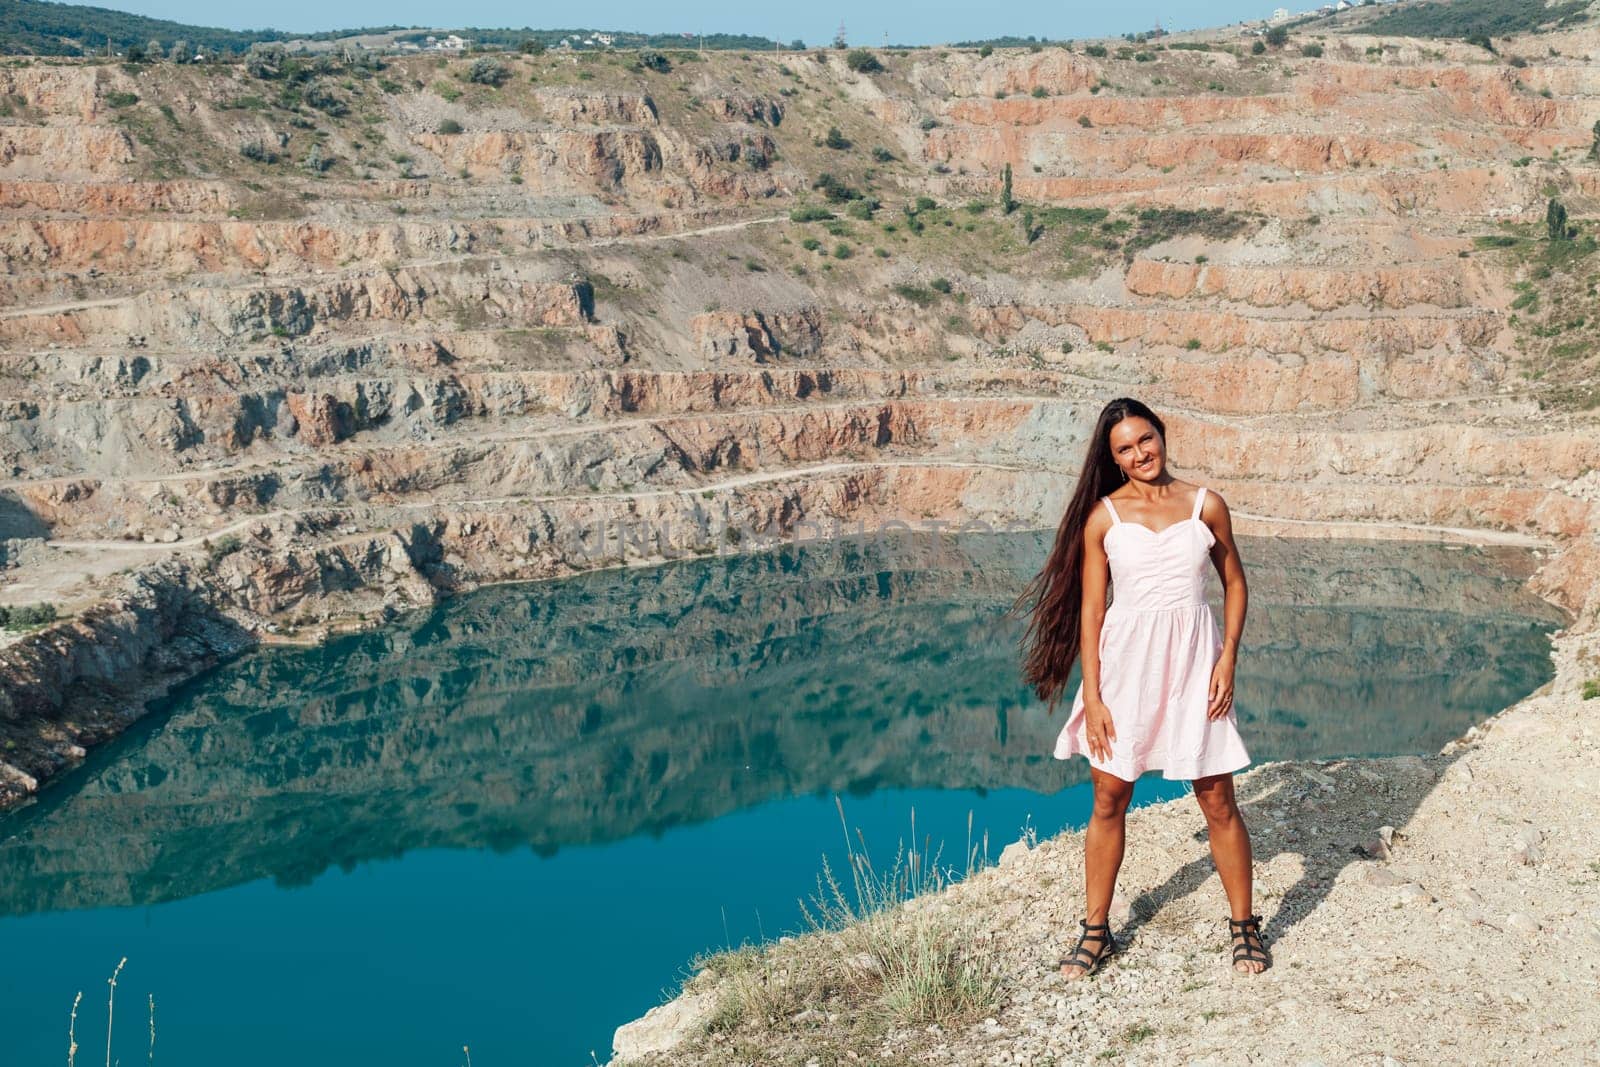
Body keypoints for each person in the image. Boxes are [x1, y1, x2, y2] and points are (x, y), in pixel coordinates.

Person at [1010, 397, 1269, 979]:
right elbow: (1092, 615)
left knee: (1217, 799)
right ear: (1114, 458)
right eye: (1125, 448)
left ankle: (1244, 926)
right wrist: (1094, 697)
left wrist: (1227, 659)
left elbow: (1234, 584)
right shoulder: (1104, 516)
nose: (1139, 453)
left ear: (1161, 436)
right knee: (1108, 799)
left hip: (1194, 667)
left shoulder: (1206, 505)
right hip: (1123, 673)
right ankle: (1096, 930)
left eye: (1145, 440)